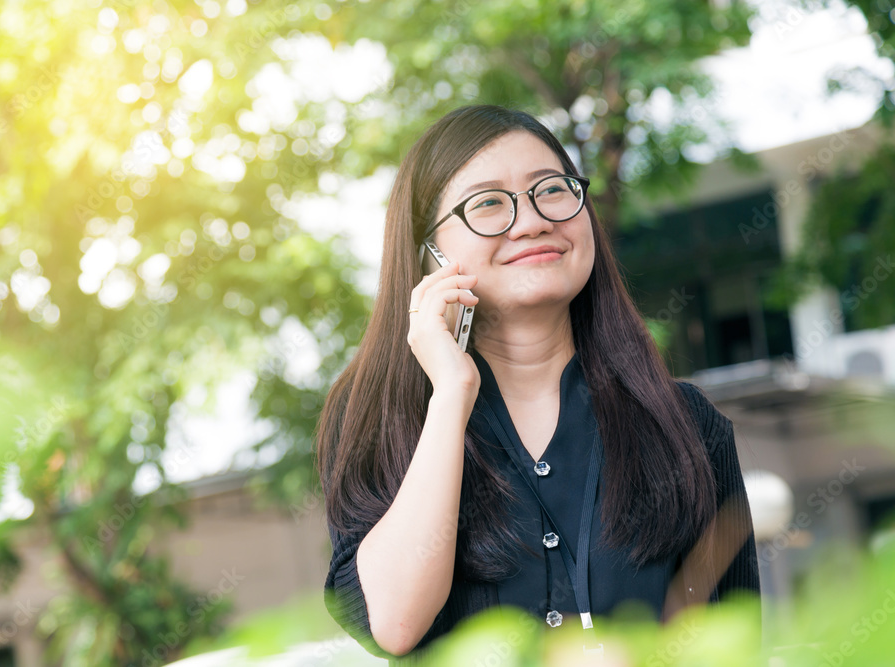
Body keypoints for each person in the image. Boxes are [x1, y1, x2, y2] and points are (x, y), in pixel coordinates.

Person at [316, 104, 761, 664]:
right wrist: (450, 393)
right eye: (487, 204)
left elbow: (735, 645)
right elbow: (396, 621)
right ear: (430, 254)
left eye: (551, 190)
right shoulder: (378, 422)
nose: (531, 221)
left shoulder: (687, 424)